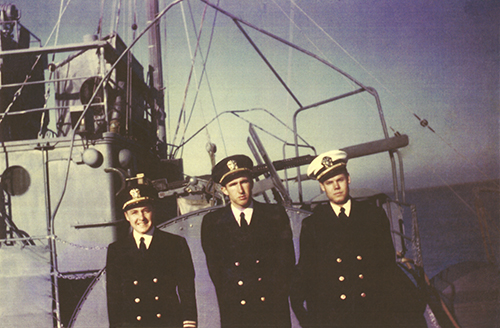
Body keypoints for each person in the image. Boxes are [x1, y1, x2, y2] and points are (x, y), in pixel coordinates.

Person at [290, 150, 411, 327]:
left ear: (348, 179)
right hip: (333, 318)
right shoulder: (313, 224)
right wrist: (306, 319)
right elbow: (306, 272)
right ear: (322, 187)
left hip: (371, 314)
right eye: (329, 183)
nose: (336, 187)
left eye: (339, 180)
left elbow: (386, 268)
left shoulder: (373, 215)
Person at [201, 155, 295, 327]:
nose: (240, 190)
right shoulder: (213, 223)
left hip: (272, 311)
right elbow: (217, 272)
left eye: (244, 182)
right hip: (236, 312)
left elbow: (286, 263)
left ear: (251, 183)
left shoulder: (275, 215)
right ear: (224, 190)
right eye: (233, 185)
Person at [106, 177, 197, 328]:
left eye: (146, 211)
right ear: (127, 217)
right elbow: (114, 299)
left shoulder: (175, 244)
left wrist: (189, 323)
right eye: (134, 212)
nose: (141, 218)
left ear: (153, 211)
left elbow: (187, 290)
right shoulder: (116, 250)